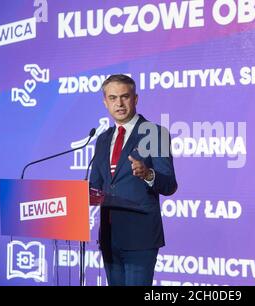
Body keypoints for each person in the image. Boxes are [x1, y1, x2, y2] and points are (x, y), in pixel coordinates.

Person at [89, 74, 177, 286]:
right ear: (105, 102)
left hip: (140, 237)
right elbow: (95, 186)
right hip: (110, 238)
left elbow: (170, 184)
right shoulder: (102, 139)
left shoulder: (154, 133)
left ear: (135, 99)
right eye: (112, 98)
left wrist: (148, 174)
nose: (119, 103)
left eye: (124, 97)